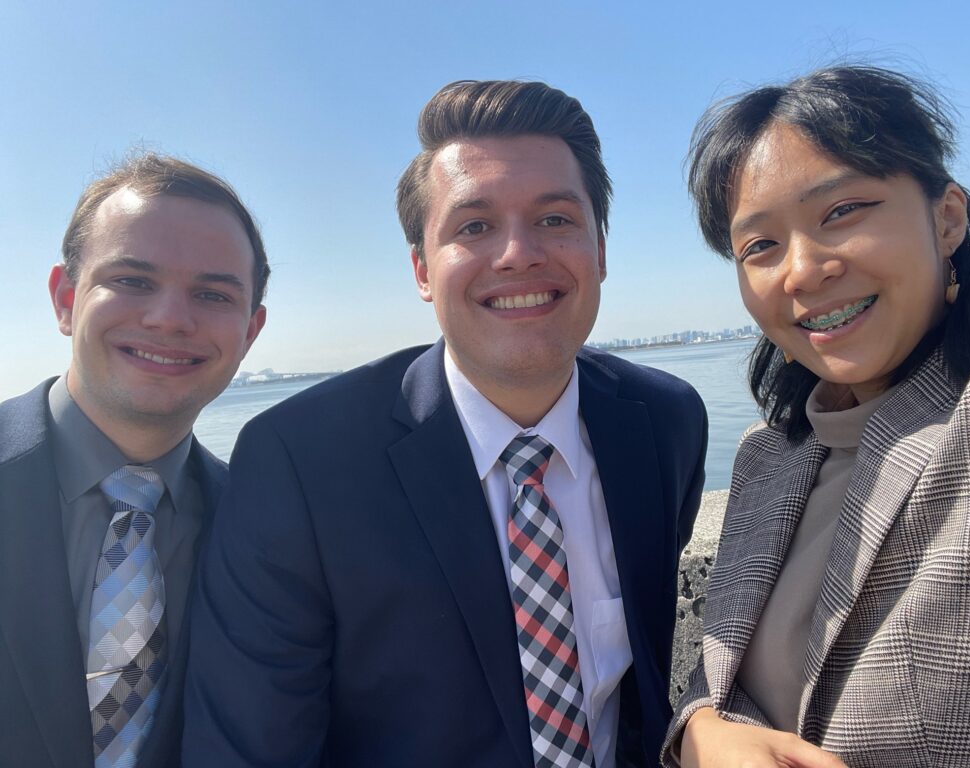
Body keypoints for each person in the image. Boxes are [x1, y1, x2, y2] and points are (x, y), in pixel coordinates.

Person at [183, 79, 708, 768]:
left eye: (555, 219)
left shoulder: (665, 422)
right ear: (422, 269)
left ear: (601, 250)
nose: (518, 253)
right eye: (474, 226)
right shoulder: (303, 462)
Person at [663, 66, 970, 768]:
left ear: (946, 218)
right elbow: (717, 678)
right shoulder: (771, 454)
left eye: (842, 211)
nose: (801, 270)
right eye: (760, 245)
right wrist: (704, 731)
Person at [0, 153, 268, 768]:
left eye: (212, 293)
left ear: (250, 333)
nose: (170, 318)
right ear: (66, 299)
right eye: (132, 281)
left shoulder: (265, 529)